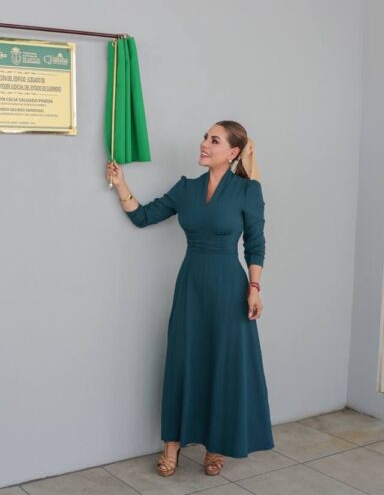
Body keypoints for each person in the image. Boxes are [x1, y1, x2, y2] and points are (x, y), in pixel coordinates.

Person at [106, 120, 273, 476]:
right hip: (192, 286)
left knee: (223, 363)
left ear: (232, 153)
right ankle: (172, 447)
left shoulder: (248, 191)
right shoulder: (186, 189)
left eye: (214, 140)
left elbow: (255, 243)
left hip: (230, 288)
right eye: (204, 137)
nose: (204, 144)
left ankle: (217, 445)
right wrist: (121, 185)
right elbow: (144, 216)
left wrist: (254, 288)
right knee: (185, 360)